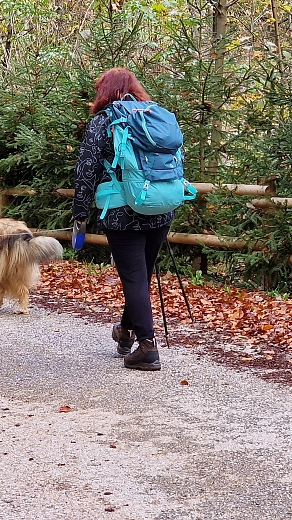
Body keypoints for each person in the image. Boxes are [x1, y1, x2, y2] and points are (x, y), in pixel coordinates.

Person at [72, 67, 172, 371]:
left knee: (133, 277)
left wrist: (79, 216)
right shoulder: (156, 117)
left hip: (120, 211)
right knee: (139, 276)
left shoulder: (103, 122)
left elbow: (86, 172)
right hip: (160, 206)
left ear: (104, 91)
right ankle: (126, 332)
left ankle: (147, 347)